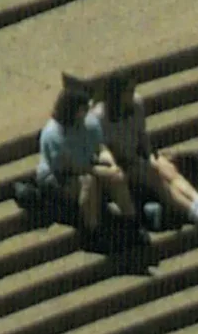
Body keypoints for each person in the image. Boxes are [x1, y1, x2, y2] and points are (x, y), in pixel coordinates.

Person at [96, 72, 198, 237]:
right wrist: (137, 162)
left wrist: (150, 155)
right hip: (122, 167)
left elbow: (142, 135)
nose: (132, 94)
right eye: (128, 91)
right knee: (156, 177)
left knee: (166, 168)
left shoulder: (136, 104)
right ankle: (193, 212)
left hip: (138, 157)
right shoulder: (99, 118)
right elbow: (107, 153)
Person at [38, 79, 142, 236]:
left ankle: (132, 221)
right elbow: (72, 167)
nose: (87, 110)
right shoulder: (54, 134)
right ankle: (92, 230)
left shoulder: (89, 122)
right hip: (58, 176)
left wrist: (110, 163)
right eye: (83, 108)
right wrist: (102, 172)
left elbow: (100, 147)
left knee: (117, 177)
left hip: (87, 165)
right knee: (89, 183)